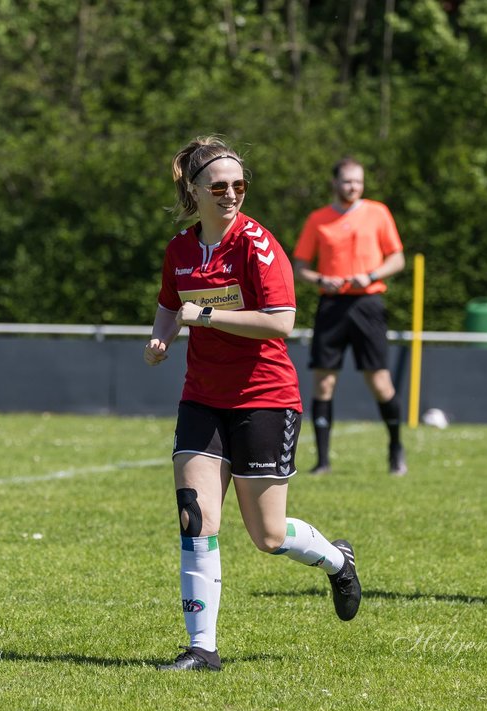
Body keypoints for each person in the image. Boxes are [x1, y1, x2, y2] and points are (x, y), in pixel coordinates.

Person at [144, 136, 363, 672]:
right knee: (195, 518)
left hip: (264, 398)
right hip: (202, 397)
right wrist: (161, 338)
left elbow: (280, 321)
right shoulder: (179, 249)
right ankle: (203, 649)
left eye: (239, 185)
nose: (231, 195)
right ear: (192, 191)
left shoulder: (257, 245)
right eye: (218, 186)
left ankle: (337, 559)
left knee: (267, 535)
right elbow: (170, 305)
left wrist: (208, 318)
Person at [293, 158, 407, 476]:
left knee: (379, 382)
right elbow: (298, 266)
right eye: (347, 182)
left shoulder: (378, 213)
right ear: (334, 183)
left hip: (368, 305)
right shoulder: (318, 219)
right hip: (331, 306)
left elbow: (397, 259)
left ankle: (396, 449)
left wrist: (371, 275)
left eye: (358, 181)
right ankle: (323, 461)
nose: (353, 187)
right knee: (324, 382)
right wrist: (319, 280)